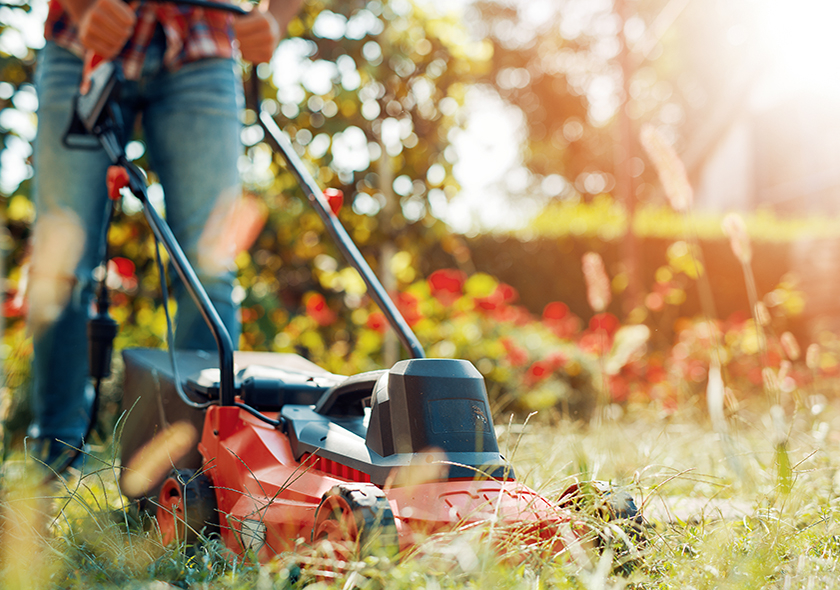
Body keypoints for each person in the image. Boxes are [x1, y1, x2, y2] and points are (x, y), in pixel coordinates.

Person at [27, 0, 301, 467]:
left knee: (208, 265)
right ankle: (53, 468)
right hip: (84, 38)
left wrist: (276, 17)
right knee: (63, 264)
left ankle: (203, 469)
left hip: (203, 40)